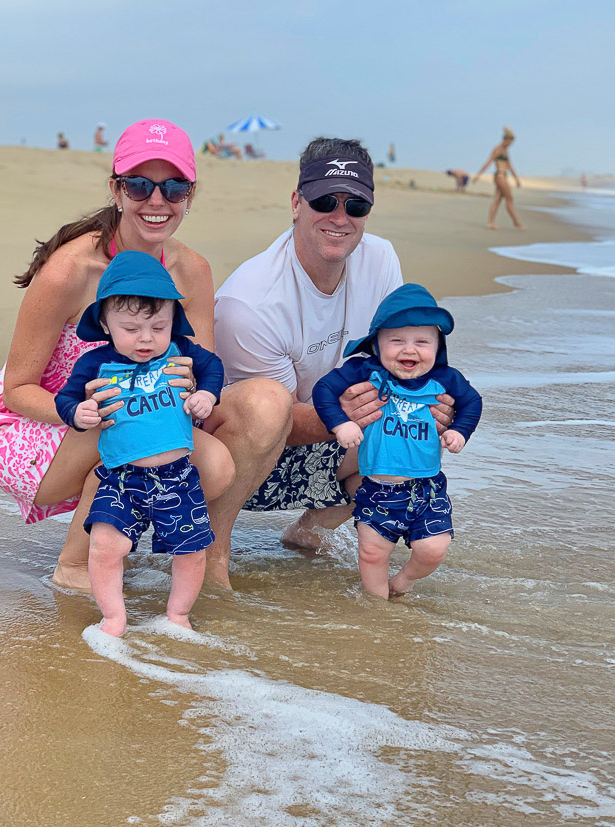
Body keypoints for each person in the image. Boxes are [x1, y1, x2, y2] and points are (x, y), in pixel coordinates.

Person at [0, 118, 238, 594]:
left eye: (173, 188)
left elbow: (194, 368)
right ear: (116, 189)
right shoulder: (72, 269)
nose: (157, 201)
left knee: (212, 465)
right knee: (128, 417)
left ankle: (130, 542)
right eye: (139, 185)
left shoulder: (192, 270)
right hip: (34, 426)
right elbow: (17, 390)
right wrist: (82, 412)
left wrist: (198, 394)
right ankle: (74, 564)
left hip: (128, 411)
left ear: (189, 195)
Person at [212, 137, 454, 584]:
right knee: (269, 403)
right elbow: (273, 423)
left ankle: (310, 533)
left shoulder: (379, 258)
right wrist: (352, 412)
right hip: (230, 460)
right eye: (325, 200)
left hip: (328, 433)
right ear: (296, 203)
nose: (340, 217)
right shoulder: (250, 301)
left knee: (414, 426)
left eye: (355, 205)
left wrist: (436, 407)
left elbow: (401, 362)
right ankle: (212, 555)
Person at [55, 252, 225, 636]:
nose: (147, 339)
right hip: (120, 478)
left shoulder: (180, 350)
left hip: (178, 477)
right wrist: (78, 412)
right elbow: (65, 398)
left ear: (172, 323)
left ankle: (178, 615)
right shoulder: (96, 364)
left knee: (192, 550)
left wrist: (209, 395)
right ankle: (114, 618)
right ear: (105, 323)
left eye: (158, 326)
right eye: (131, 329)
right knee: (104, 548)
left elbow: (213, 366)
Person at [312, 284, 482, 598]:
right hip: (377, 487)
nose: (409, 349)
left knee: (433, 549)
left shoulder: (444, 379)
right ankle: (377, 606)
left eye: (422, 341)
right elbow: (323, 390)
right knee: (372, 553)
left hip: (427, 488)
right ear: (376, 345)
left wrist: (459, 430)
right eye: (396, 340)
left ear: (437, 346)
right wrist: (340, 423)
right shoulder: (365, 371)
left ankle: (403, 583)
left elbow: (472, 402)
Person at [473, 128, 525, 230]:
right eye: (510, 142)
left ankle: (490, 222)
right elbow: (488, 162)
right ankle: (516, 222)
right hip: (500, 176)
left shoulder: (505, 151)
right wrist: (478, 175)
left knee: (497, 199)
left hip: (503, 176)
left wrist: (516, 179)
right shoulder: (497, 149)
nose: (510, 145)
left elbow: (510, 166)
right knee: (509, 199)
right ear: (505, 140)